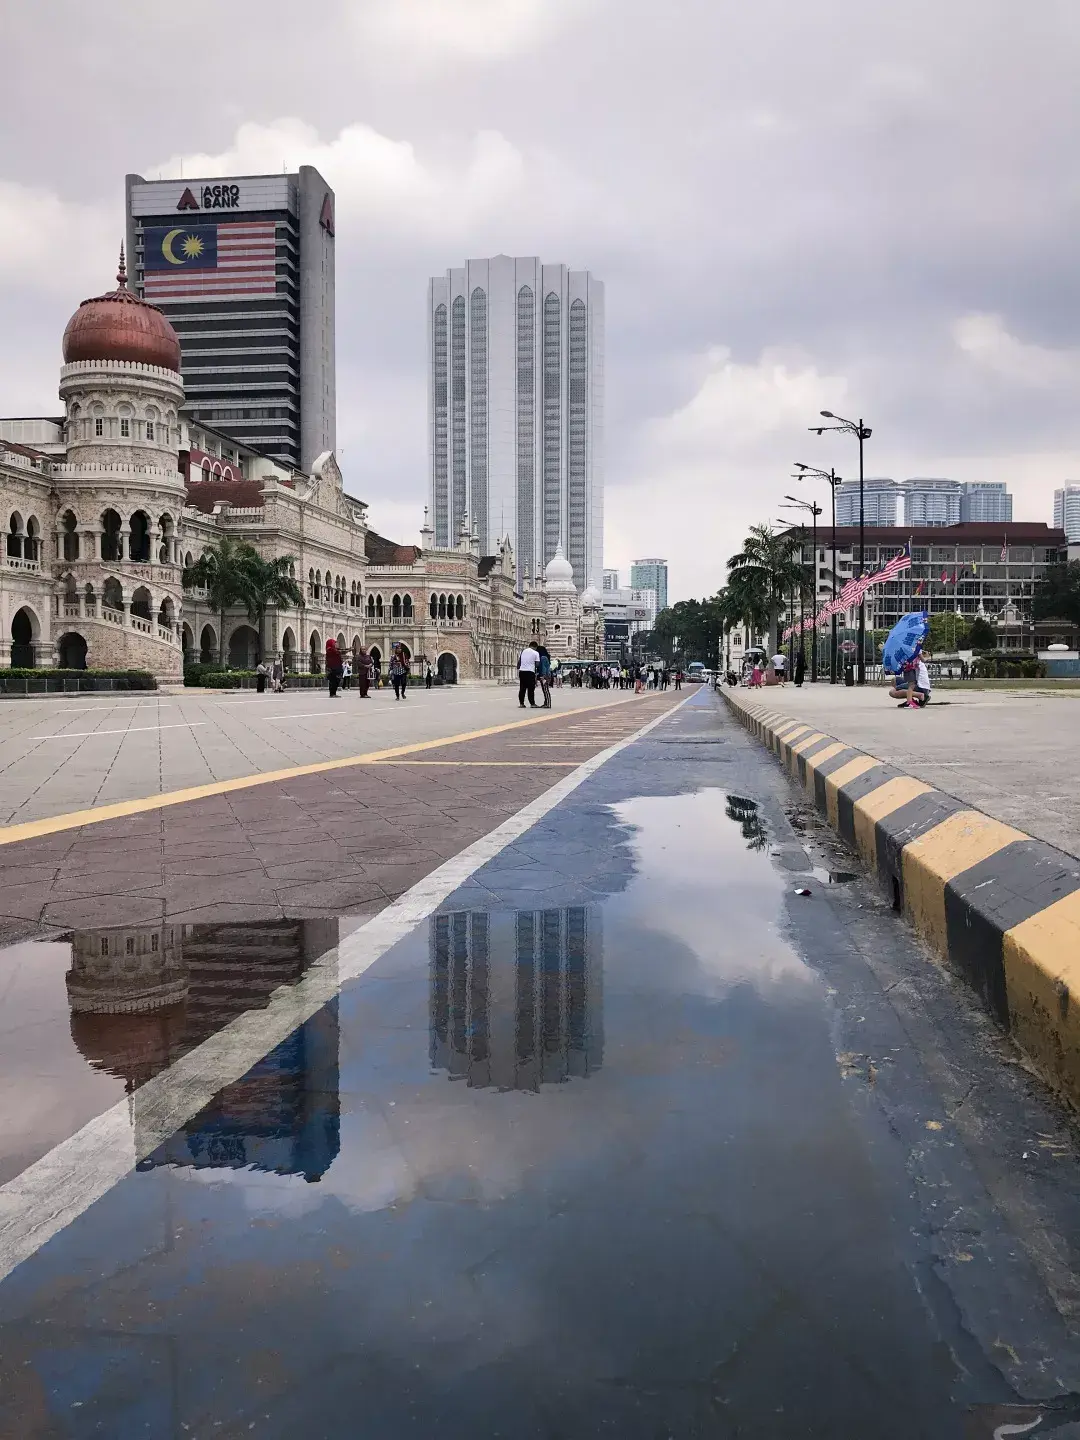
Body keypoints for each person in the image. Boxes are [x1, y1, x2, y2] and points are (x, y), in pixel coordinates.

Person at [518, 641, 540, 707]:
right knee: (531, 688)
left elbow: (520, 661)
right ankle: (532, 703)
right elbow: (537, 664)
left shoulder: (523, 651)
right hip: (530, 672)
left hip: (521, 671)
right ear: (535, 647)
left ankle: (521, 703)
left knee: (522, 688)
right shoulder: (536, 653)